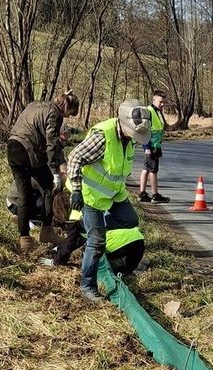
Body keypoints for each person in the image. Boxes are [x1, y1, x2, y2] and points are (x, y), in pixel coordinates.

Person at [66, 99, 151, 305]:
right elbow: (75, 158)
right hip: (90, 195)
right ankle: (87, 286)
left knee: (130, 220)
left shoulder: (128, 139)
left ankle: (86, 227)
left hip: (113, 194)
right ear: (123, 124)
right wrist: (76, 191)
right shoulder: (103, 137)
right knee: (97, 242)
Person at [7, 90, 80, 252]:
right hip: (28, 151)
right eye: (70, 113)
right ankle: (46, 231)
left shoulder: (37, 104)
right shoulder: (55, 114)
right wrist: (55, 172)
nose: (68, 117)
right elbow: (51, 144)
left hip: (12, 147)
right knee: (48, 188)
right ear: (67, 107)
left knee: (24, 194)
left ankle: (24, 239)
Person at [138, 91, 169, 204]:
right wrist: (147, 147)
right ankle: (155, 195)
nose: (162, 104)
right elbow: (144, 130)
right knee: (153, 170)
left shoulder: (155, 111)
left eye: (163, 102)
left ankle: (142, 194)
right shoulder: (149, 111)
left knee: (146, 169)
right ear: (154, 100)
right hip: (151, 146)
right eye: (160, 102)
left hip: (154, 145)